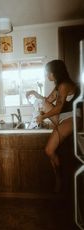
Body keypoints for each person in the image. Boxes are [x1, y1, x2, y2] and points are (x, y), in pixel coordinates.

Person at [26, 59, 80, 193]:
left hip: (72, 117)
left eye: (47, 73)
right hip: (61, 117)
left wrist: (43, 117)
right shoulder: (58, 86)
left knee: (49, 150)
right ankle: (59, 178)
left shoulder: (64, 85)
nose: (46, 75)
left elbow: (58, 108)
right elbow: (47, 101)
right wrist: (35, 93)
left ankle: (59, 178)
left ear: (54, 72)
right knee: (41, 103)